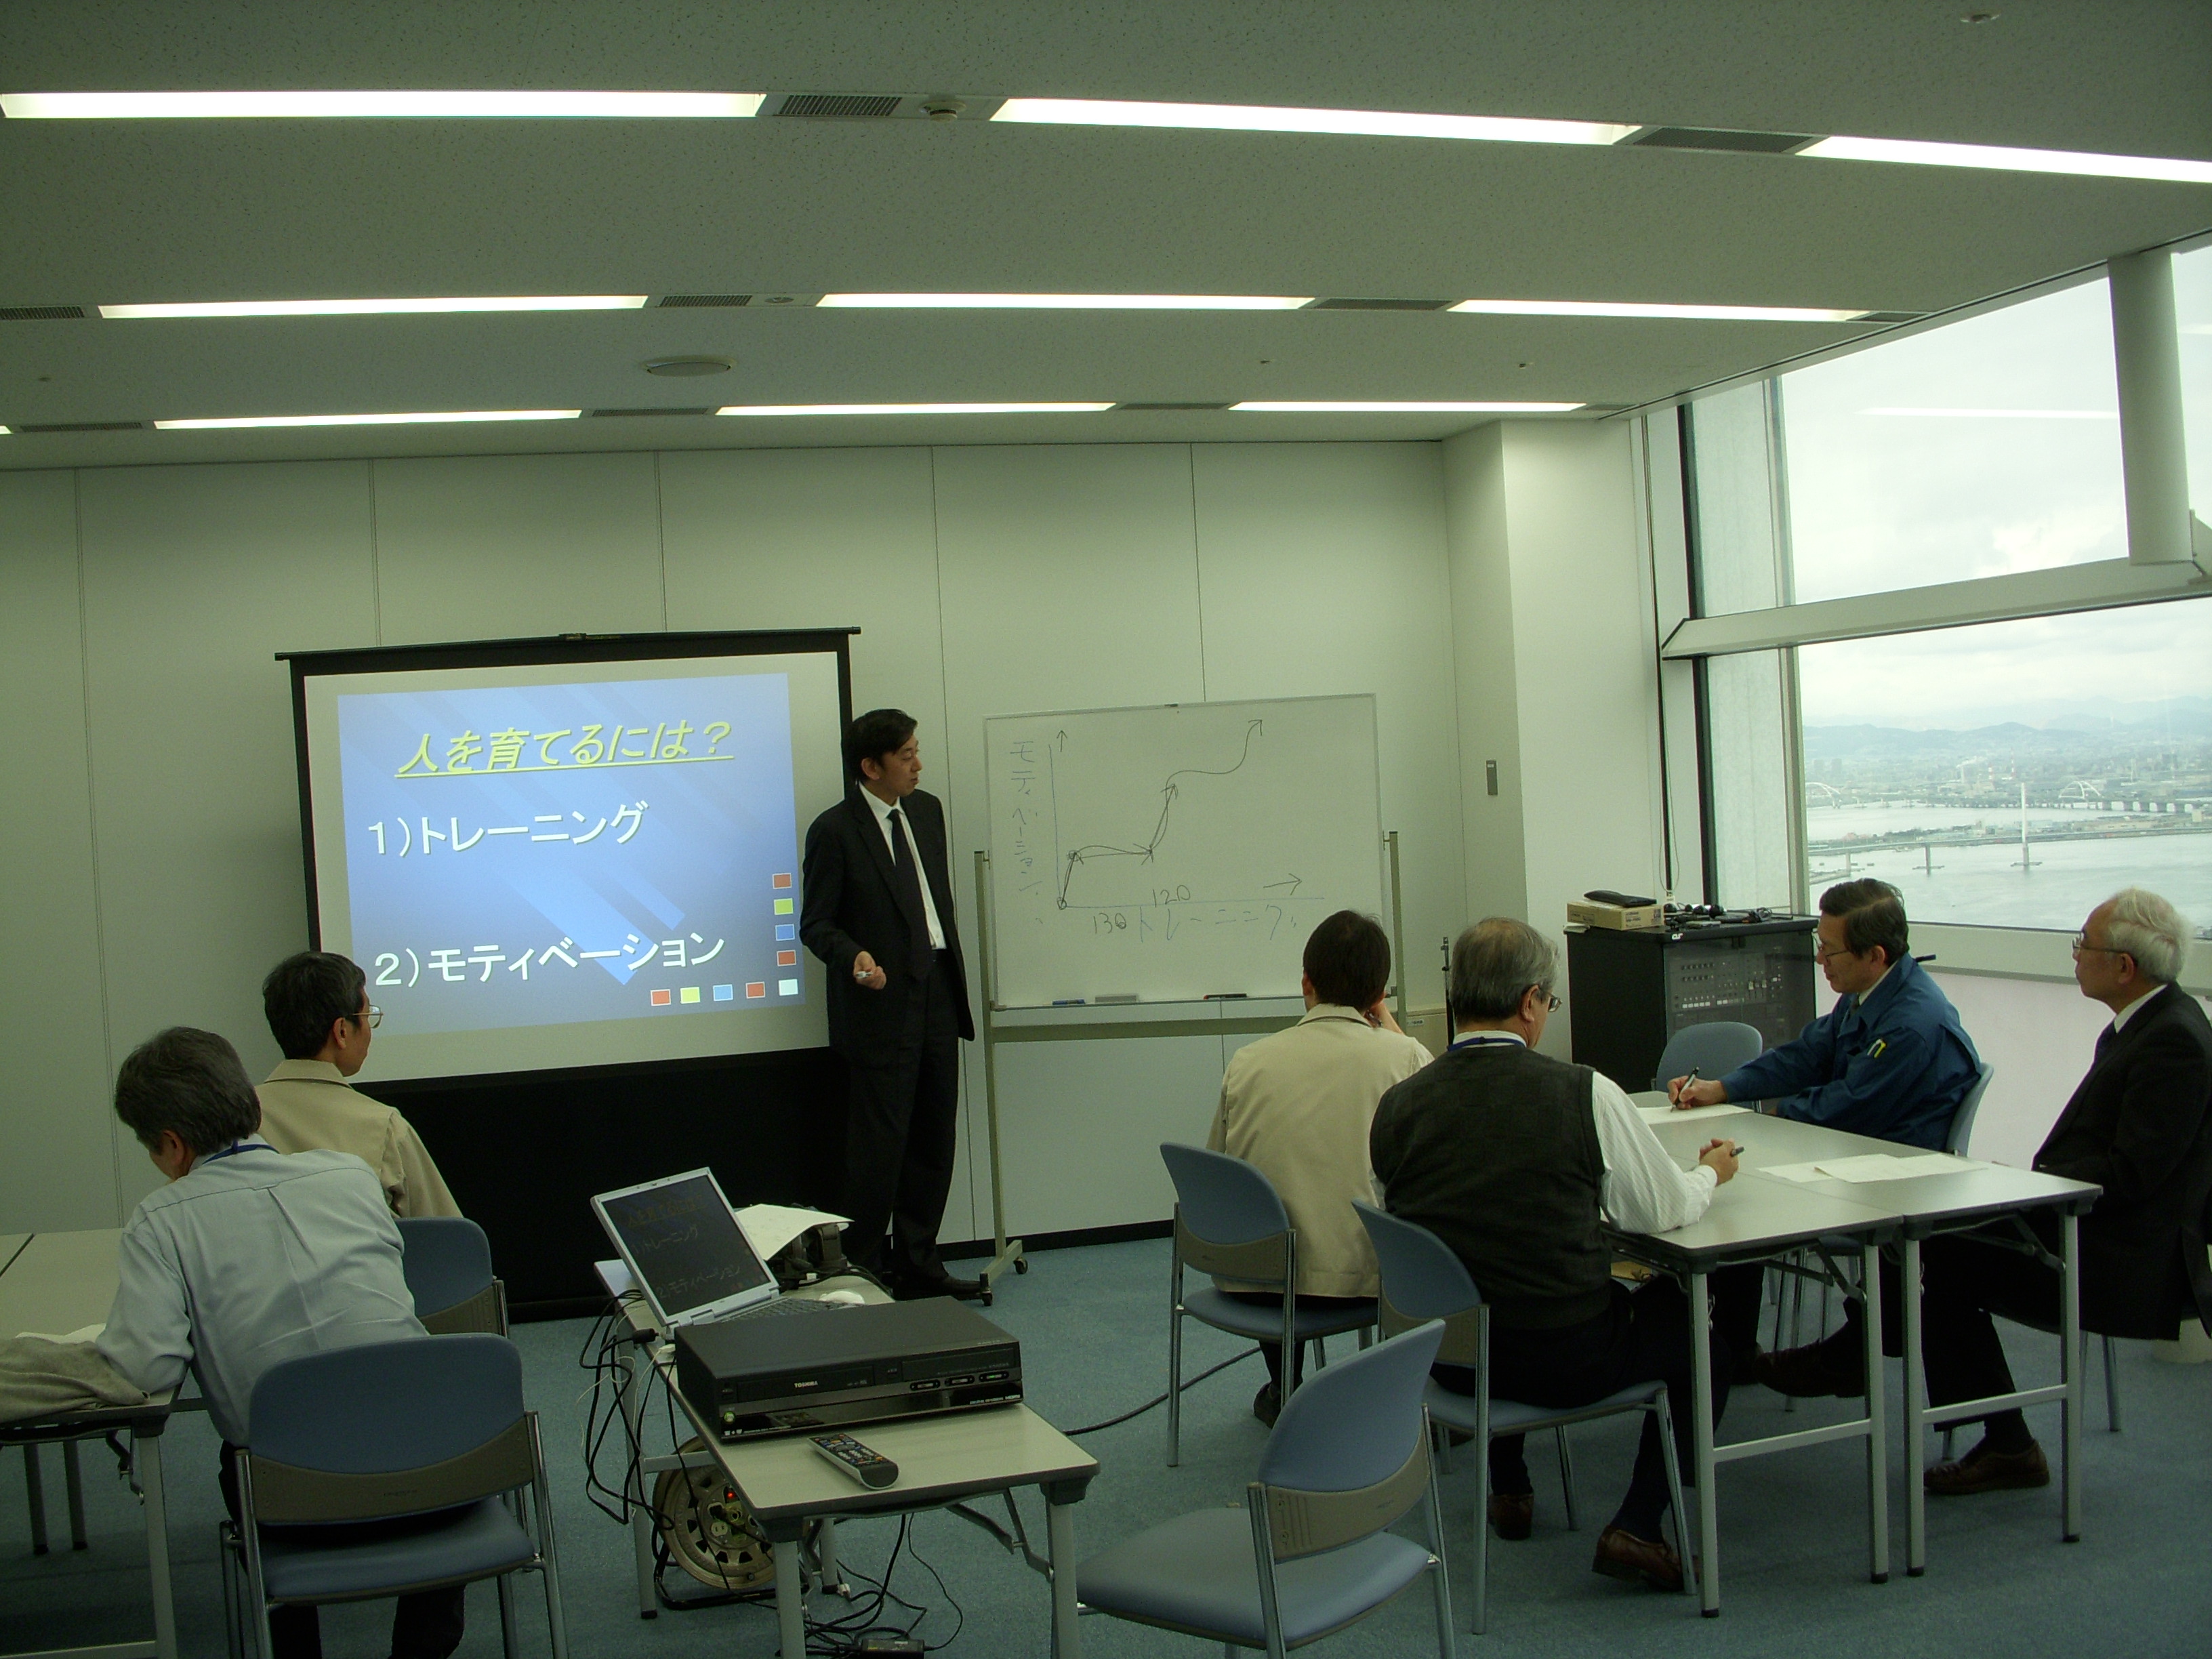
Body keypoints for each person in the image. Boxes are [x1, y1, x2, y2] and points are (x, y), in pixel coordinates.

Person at [1762, 888, 2212, 1494]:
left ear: (2125, 967)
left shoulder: (2173, 1041)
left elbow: (2132, 1176)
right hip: (2088, 1220)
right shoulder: (2149, 1025)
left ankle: (1898, 1378)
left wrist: (2033, 1189)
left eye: (2083, 944)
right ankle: (1885, 1369)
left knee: (1934, 1255)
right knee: (1929, 1239)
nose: (2075, 954)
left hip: (2125, 1257)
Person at [1370, 918, 1739, 1592]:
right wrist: (1711, 1173)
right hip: (1565, 1357)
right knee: (1692, 1324)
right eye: (1549, 1002)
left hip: (1451, 1361)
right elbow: (1660, 1210)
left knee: (1487, 1272)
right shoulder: (1584, 1092)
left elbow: (1413, 1229)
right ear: (1530, 1002)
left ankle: (1510, 1486)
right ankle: (1639, 1523)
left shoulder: (1397, 1106)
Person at [97, 1027, 458, 1659]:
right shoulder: (350, 1177)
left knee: (239, 1458)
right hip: (430, 1470)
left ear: (172, 1146)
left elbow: (146, 1369)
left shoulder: (162, 1221)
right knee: (416, 1411)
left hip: (290, 1490)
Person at [1670, 879, 1982, 1368]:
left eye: (1830, 951)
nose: (1820, 960)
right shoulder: (1870, 993)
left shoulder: (1912, 1023)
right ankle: (1734, 1349)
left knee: (1742, 1194)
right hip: (1851, 1149)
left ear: (1875, 955)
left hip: (1892, 1175)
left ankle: (1748, 1354)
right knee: (1737, 1192)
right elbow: (1806, 1056)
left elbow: (1848, 1106)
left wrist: (1766, 1120)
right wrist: (1724, 1088)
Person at [1205, 910, 1432, 1425]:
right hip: (1370, 1280)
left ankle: (1283, 1386)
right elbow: (1448, 1121)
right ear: (1379, 994)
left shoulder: (1248, 1061)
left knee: (1279, 1208)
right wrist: (1390, 1025)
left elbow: (1223, 1171)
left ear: (1306, 983)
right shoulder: (1406, 1059)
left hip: (1262, 1282)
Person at [801, 709, 981, 1300]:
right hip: (879, 1002)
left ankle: (921, 1265)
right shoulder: (835, 830)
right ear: (871, 767)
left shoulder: (926, 812)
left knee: (934, 1137)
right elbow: (816, 924)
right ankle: (863, 1270)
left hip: (938, 991)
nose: (918, 765)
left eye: (916, 751)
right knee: (879, 1147)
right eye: (906, 756)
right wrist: (853, 955)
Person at [255, 951, 462, 1217]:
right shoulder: (384, 1127)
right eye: (366, 1016)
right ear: (341, 1031)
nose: (368, 1030)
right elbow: (447, 1232)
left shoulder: (237, 1120)